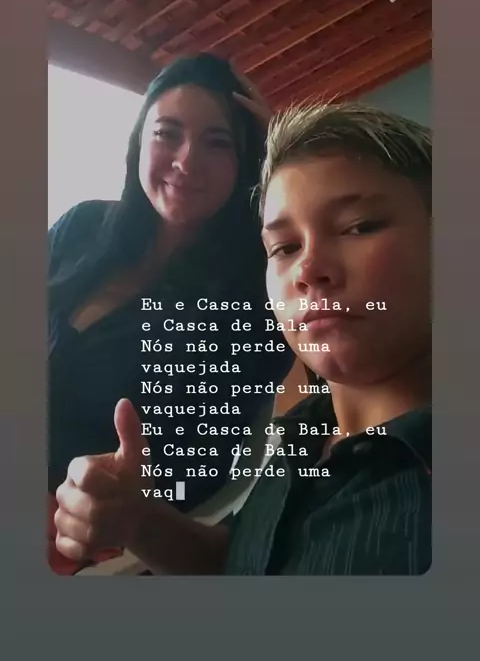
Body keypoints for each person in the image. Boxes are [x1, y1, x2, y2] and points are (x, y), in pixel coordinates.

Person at [54, 100, 432, 575]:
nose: (308, 269)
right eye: (285, 247)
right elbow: (242, 562)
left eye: (359, 227)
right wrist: (139, 520)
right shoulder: (300, 435)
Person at [48, 53, 294, 573]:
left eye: (218, 142)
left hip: (70, 528)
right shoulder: (82, 225)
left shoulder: (253, 299)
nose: (186, 161)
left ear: (247, 161)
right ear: (140, 139)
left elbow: (193, 472)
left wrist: (284, 158)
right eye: (167, 133)